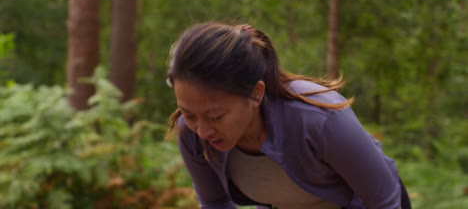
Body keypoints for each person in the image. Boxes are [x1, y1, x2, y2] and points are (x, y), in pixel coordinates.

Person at [166, 21, 411, 209]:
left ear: (255, 94)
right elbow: (215, 204)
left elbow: (384, 202)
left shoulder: (318, 118)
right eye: (189, 114)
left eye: (216, 116)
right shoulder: (192, 135)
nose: (203, 130)